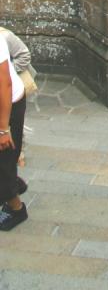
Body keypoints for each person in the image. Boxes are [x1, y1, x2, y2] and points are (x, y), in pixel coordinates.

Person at [0, 32, 28, 230]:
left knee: (4, 160)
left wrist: (3, 129)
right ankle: (15, 183)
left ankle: (17, 209)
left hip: (7, 105)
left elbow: (5, 84)